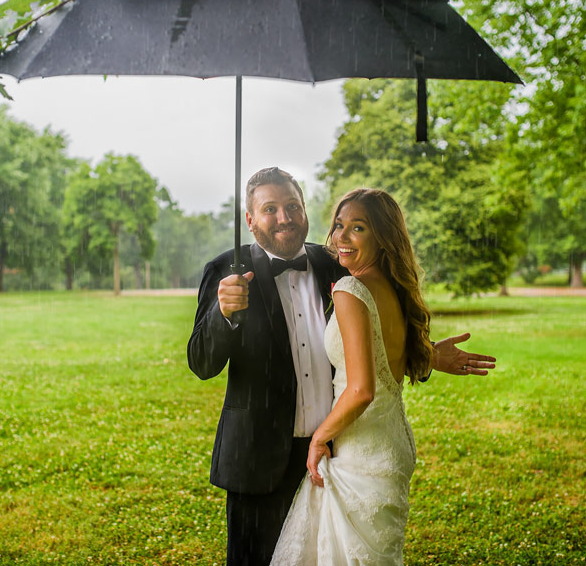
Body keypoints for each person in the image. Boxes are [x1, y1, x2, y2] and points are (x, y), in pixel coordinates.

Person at [187, 170, 495, 565]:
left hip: (334, 453)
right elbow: (201, 362)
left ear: (305, 210)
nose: (285, 217)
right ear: (250, 219)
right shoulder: (225, 270)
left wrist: (428, 353)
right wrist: (223, 312)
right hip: (256, 460)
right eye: (270, 209)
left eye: (293, 206)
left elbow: (367, 339)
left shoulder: (337, 262)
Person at [271, 187, 450, 565]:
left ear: (382, 236)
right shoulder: (394, 287)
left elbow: (362, 389)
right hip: (393, 443)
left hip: (360, 449)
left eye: (358, 228)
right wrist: (433, 355)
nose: (342, 237)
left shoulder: (351, 290)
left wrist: (320, 437)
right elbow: (389, 364)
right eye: (339, 226)